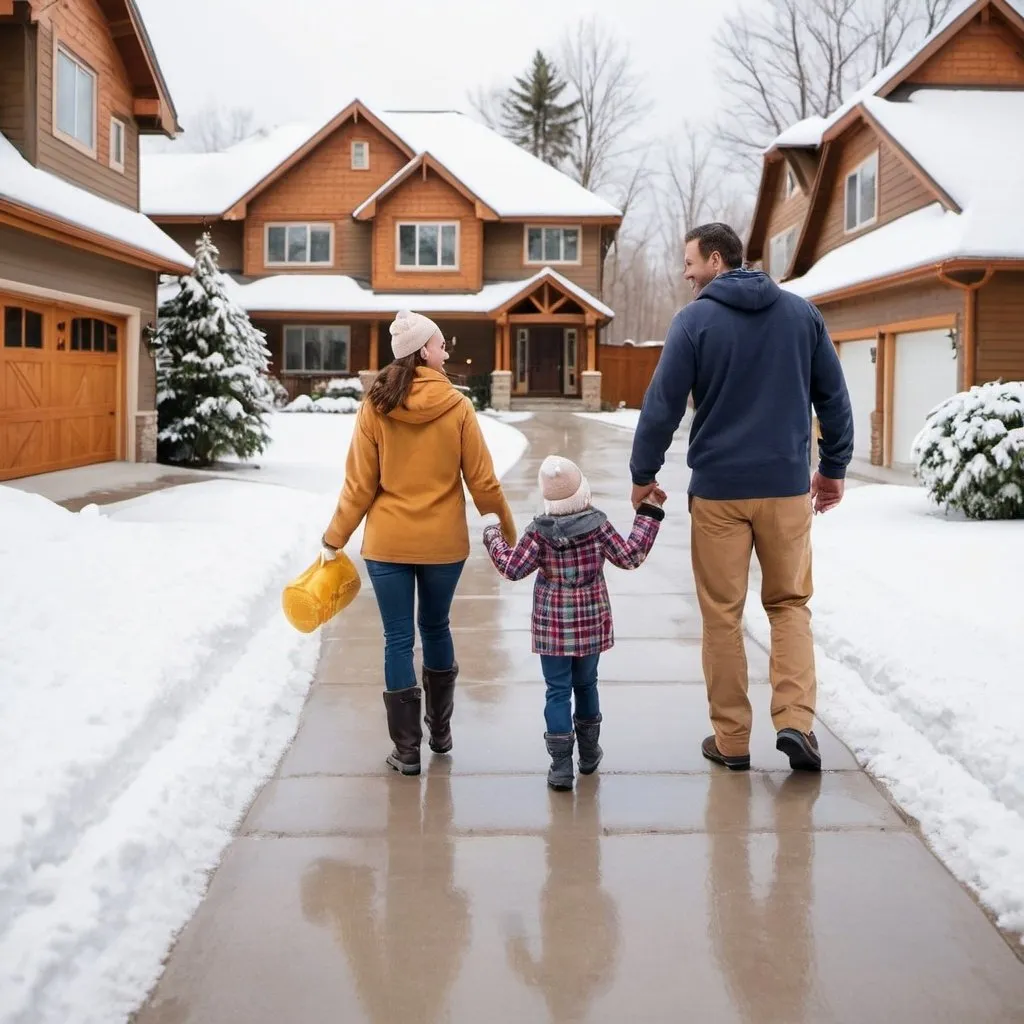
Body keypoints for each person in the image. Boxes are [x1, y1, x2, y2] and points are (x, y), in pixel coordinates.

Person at [629, 222, 854, 773]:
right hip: (783, 489)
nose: (684, 274)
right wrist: (832, 469)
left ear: (713, 258)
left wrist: (643, 473)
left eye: (688, 262)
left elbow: (662, 404)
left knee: (722, 617)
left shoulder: (694, 322)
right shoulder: (802, 315)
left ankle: (731, 741)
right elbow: (834, 396)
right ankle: (796, 723)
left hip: (719, 496)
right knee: (789, 605)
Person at [321, 309, 516, 777]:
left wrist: (334, 538)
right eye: (440, 343)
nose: (447, 350)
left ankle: (406, 751)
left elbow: (359, 485)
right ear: (422, 351)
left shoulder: (376, 405)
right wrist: (509, 532)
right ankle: (441, 733)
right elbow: (483, 481)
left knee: (397, 639)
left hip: (387, 545)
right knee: (435, 628)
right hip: (443, 545)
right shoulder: (458, 406)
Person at [483, 455, 664, 790]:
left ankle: (561, 767)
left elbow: (512, 568)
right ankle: (590, 754)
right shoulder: (598, 527)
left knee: (556, 691)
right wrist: (649, 513)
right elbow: (630, 556)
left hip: (552, 629)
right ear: (584, 494)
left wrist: (494, 538)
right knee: (586, 684)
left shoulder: (538, 533)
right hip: (590, 623)